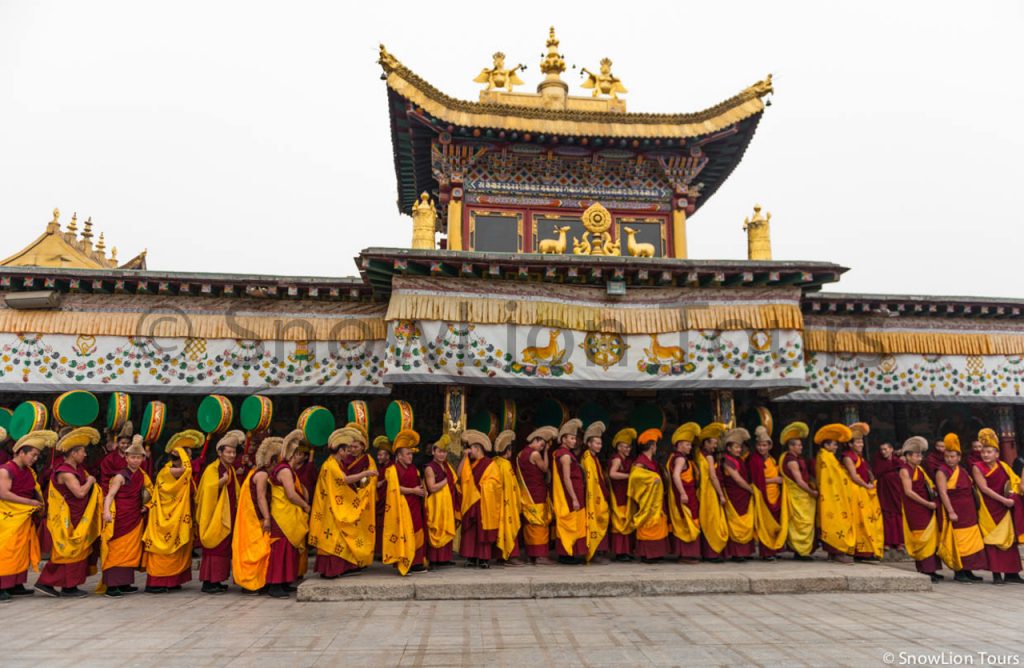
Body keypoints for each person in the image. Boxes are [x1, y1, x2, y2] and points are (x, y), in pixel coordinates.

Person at [35, 427, 102, 598]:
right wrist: (91, 481)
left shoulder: (78, 468)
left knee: (76, 551)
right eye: (82, 451)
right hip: (69, 518)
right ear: (73, 453)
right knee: (67, 551)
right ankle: (49, 582)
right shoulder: (66, 472)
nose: (85, 455)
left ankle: (68, 586)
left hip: (78, 515)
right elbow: (79, 492)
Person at [0, 429, 53, 602]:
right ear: (21, 452)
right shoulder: (6, 470)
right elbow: (3, 493)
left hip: (24, 517)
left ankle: (16, 584)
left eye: (37, 456)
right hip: (8, 517)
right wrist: (29, 503)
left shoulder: (29, 471)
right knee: (7, 551)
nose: (35, 459)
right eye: (33, 455)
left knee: (21, 552)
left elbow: (34, 489)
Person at [142, 431, 199, 594]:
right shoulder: (167, 472)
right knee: (164, 549)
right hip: (164, 517)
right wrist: (180, 450)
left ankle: (172, 580)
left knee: (177, 549)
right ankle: (156, 582)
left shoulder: (179, 472)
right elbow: (187, 470)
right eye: (186, 456)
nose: (189, 459)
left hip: (178, 515)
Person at [99, 436, 151, 597]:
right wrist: (106, 511)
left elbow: (150, 491)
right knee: (116, 550)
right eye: (132, 457)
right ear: (126, 458)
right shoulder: (120, 476)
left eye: (138, 457)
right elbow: (110, 495)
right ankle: (112, 586)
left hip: (134, 516)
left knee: (130, 550)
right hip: (120, 517)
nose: (135, 460)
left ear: (143, 458)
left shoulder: (142, 475)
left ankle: (124, 583)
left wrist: (146, 504)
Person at [971, 428, 1023, 584]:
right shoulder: (977, 467)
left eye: (989, 452)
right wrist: (1003, 500)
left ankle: (1012, 573)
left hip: (1005, 508)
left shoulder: (1004, 466)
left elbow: (1015, 483)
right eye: (983, 452)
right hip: (989, 508)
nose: (985, 455)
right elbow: (984, 489)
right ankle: (996, 574)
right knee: (993, 541)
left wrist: (1013, 496)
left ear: (997, 454)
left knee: (1009, 539)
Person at [935, 433, 988, 583]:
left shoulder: (962, 470)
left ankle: (968, 570)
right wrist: (951, 511)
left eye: (953, 456)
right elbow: (943, 493)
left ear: (959, 457)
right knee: (959, 542)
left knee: (971, 541)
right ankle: (959, 572)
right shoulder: (942, 471)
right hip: (956, 511)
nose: (949, 459)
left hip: (969, 512)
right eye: (947, 456)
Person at [264, 429, 311, 598]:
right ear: (293, 454)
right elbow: (291, 495)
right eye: (298, 453)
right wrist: (305, 505)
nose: (300, 457)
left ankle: (283, 582)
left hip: (287, 515)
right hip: (282, 515)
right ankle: (275, 585)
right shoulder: (284, 470)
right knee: (280, 550)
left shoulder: (287, 469)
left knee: (288, 549)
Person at [196, 429, 243, 594]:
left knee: (223, 547)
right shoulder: (212, 469)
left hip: (226, 513)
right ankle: (208, 582)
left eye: (233, 452)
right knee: (214, 546)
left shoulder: (229, 469)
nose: (231, 455)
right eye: (228, 452)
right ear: (220, 453)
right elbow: (205, 490)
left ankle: (217, 580)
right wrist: (220, 483)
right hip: (214, 515)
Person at [231, 436, 277, 594]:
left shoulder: (254, 471)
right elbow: (260, 497)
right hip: (254, 519)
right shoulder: (262, 475)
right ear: (272, 461)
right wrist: (267, 518)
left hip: (249, 518)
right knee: (258, 549)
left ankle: (253, 582)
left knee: (253, 549)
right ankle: (253, 584)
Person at [897, 436, 942, 583]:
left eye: (920, 455)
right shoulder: (905, 471)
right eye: (916, 455)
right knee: (921, 536)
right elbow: (909, 491)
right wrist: (926, 504)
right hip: (915, 508)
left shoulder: (919, 469)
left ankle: (932, 569)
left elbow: (928, 485)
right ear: (908, 456)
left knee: (931, 536)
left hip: (925, 506)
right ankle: (925, 569)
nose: (920, 458)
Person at [382, 429, 428, 575]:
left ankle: (416, 562)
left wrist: (422, 492)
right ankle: (404, 562)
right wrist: (413, 491)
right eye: (408, 454)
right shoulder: (392, 470)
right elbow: (395, 489)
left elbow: (419, 484)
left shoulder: (414, 468)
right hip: (401, 507)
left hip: (415, 505)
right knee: (404, 534)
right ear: (399, 456)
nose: (410, 457)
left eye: (411, 454)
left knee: (418, 533)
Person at [458, 429, 501, 568]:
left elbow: (496, 483)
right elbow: (460, 475)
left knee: (482, 530)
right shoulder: (472, 464)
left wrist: (483, 486)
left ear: (478, 449)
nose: (470, 452)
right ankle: (471, 557)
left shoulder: (490, 464)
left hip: (484, 502)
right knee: (471, 531)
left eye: (471, 449)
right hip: (472, 501)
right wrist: (464, 458)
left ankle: (484, 559)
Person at [815, 423, 856, 563]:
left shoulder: (828, 456)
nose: (836, 447)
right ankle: (837, 553)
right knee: (835, 524)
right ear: (826, 445)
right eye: (834, 444)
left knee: (834, 523)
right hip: (831, 497)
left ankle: (833, 554)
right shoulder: (825, 457)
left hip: (834, 496)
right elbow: (831, 477)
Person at [843, 423, 884, 562]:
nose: (861, 444)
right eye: (858, 442)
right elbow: (854, 476)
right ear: (850, 444)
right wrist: (866, 485)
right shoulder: (848, 457)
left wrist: (872, 482)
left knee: (868, 521)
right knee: (860, 522)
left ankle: (867, 550)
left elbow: (867, 471)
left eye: (861, 441)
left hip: (865, 492)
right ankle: (860, 552)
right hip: (856, 492)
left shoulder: (860, 457)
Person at [626, 429, 668, 563]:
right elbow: (634, 477)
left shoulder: (651, 461)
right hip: (647, 501)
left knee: (658, 523)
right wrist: (653, 478)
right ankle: (647, 554)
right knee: (648, 524)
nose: (656, 448)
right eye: (655, 445)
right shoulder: (640, 462)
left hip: (656, 500)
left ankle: (657, 553)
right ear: (652, 446)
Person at [778, 422, 817, 560]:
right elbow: (799, 481)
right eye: (798, 445)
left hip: (802, 495)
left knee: (803, 523)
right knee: (801, 522)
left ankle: (802, 551)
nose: (801, 447)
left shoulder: (797, 458)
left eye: (801, 445)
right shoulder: (791, 460)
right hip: (799, 495)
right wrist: (812, 492)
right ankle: (801, 551)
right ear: (791, 446)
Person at [748, 426, 787, 561]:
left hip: (774, 494)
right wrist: (774, 480)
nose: (761, 448)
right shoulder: (754, 460)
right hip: (763, 495)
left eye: (764, 445)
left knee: (776, 522)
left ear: (769, 446)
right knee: (766, 524)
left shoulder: (772, 459)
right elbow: (755, 480)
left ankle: (775, 549)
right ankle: (766, 552)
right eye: (759, 445)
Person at [516, 426, 555, 563]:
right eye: (541, 444)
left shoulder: (520, 454)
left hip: (526, 494)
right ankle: (540, 556)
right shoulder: (535, 454)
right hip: (536, 493)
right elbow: (544, 468)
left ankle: (531, 554)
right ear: (536, 440)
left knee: (529, 524)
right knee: (540, 523)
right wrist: (546, 452)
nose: (541, 447)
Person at [551, 418, 587, 564]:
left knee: (575, 523)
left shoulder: (563, 453)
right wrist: (574, 498)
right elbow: (566, 478)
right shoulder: (565, 456)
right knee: (570, 523)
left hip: (575, 492)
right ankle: (566, 554)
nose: (574, 441)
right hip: (570, 495)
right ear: (564, 439)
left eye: (575, 438)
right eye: (571, 438)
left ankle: (570, 553)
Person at [665, 423, 701, 563]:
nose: (690, 447)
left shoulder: (673, 456)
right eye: (687, 444)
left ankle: (684, 553)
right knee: (688, 521)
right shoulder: (680, 458)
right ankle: (687, 554)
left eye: (690, 444)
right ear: (679, 445)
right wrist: (683, 493)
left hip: (685, 494)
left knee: (684, 521)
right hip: (686, 495)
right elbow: (675, 476)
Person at [719, 428, 756, 561]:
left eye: (740, 447)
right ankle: (736, 553)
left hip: (743, 495)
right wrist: (751, 490)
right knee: (736, 522)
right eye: (736, 447)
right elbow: (738, 480)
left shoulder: (739, 459)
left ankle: (745, 552)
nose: (739, 450)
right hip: (735, 495)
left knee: (746, 521)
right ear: (728, 448)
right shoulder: (727, 461)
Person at [424, 434, 460, 566]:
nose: (441, 455)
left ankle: (444, 559)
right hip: (436, 503)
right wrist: (445, 481)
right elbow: (432, 488)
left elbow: (455, 480)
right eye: (439, 452)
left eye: (444, 452)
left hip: (447, 502)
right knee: (437, 528)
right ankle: (434, 559)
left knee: (446, 527)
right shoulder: (429, 467)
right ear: (433, 452)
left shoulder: (447, 466)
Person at [696, 423, 729, 562]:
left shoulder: (698, 454)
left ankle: (707, 552)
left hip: (702, 491)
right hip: (710, 491)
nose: (715, 446)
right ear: (705, 443)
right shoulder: (708, 457)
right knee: (714, 520)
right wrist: (721, 494)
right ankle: (713, 553)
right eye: (713, 443)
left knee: (707, 519)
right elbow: (713, 476)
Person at [579, 422, 609, 563]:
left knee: (602, 520)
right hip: (593, 497)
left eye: (601, 443)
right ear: (589, 443)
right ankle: (594, 553)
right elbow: (590, 482)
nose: (599, 446)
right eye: (596, 443)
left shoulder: (594, 457)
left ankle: (600, 552)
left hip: (599, 495)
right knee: (594, 523)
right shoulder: (587, 458)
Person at [492, 430, 523, 564]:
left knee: (501, 528)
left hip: (498, 502)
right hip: (507, 502)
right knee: (509, 527)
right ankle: (511, 555)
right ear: (508, 450)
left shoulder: (495, 461)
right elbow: (511, 486)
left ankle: (501, 556)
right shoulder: (505, 465)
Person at [871, 440, 905, 559]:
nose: (883, 452)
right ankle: (887, 543)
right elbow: (876, 472)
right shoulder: (878, 460)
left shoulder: (898, 461)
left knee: (898, 515)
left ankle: (900, 543)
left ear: (891, 449)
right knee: (886, 516)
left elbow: (903, 474)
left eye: (885, 449)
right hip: (884, 491)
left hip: (896, 491)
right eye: (881, 450)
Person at [606, 428, 636, 561]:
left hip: (625, 493)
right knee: (620, 521)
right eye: (625, 447)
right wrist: (629, 476)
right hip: (618, 494)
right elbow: (612, 474)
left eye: (629, 447)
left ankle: (626, 551)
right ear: (618, 447)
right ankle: (619, 552)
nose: (628, 449)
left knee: (626, 520)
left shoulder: (627, 459)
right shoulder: (617, 459)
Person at [99, 420, 134, 491]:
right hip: (113, 489)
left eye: (128, 443)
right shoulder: (110, 458)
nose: (125, 445)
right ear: (117, 443)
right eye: (123, 443)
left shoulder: (133, 457)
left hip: (130, 490)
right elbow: (105, 478)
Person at [373, 435, 392, 560]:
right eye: (378, 455)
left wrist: (383, 482)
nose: (379, 457)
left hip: (387, 501)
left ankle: (385, 551)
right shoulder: (378, 467)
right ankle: (379, 551)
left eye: (382, 455)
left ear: (388, 456)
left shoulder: (391, 467)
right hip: (379, 500)